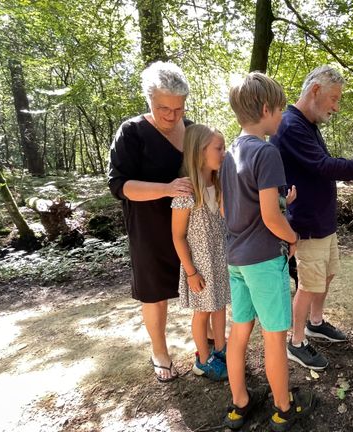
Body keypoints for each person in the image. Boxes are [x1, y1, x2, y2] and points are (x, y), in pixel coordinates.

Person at [270, 65, 353, 370]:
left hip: (323, 221)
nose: (336, 107)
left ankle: (315, 322)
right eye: (334, 98)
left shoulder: (307, 124)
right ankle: (296, 342)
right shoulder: (291, 125)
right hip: (306, 223)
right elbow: (325, 166)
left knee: (327, 274)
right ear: (315, 91)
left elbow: (321, 169)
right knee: (309, 283)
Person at [221, 72, 315, 432]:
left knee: (240, 331)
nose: (282, 118)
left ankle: (240, 404)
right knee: (275, 337)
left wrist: (277, 201)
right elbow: (270, 216)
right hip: (263, 259)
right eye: (279, 110)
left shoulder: (230, 153)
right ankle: (283, 408)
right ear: (265, 108)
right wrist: (292, 238)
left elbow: (230, 210)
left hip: (236, 259)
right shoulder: (267, 151)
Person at [108, 61, 193, 383]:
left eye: (178, 108)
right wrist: (167, 189)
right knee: (155, 293)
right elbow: (120, 186)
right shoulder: (132, 133)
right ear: (148, 101)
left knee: (204, 282)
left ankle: (209, 344)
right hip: (150, 229)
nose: (172, 116)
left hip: (192, 227)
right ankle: (160, 352)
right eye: (163, 109)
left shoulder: (193, 129)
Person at [171, 124, 230, 381]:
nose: (224, 152)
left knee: (219, 308)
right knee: (203, 312)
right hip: (200, 267)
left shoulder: (217, 185)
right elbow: (178, 236)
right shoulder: (186, 193)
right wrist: (191, 272)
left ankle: (221, 348)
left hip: (219, 260)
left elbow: (226, 219)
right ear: (199, 152)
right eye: (219, 148)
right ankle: (203, 359)